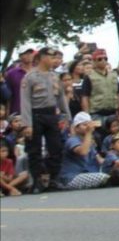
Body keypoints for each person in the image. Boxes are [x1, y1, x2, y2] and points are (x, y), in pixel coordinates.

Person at [20, 46, 70, 193]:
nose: (54, 60)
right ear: (42, 57)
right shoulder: (30, 77)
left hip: (51, 115)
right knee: (34, 150)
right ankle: (36, 181)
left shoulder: (54, 76)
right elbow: (25, 102)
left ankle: (53, 179)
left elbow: (61, 97)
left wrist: (66, 116)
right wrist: (27, 124)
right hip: (36, 115)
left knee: (55, 148)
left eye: (56, 57)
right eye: (51, 56)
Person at [57, 112, 110, 190]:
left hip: (86, 173)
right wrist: (89, 132)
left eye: (88, 125)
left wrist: (113, 162)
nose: (87, 127)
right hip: (72, 177)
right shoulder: (72, 140)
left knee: (116, 172)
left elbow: (100, 160)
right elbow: (83, 152)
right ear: (76, 128)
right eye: (84, 125)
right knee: (103, 177)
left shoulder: (88, 142)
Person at [81, 49, 119, 137]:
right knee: (99, 137)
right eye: (100, 59)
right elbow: (85, 97)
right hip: (96, 114)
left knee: (113, 139)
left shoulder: (113, 75)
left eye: (105, 58)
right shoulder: (89, 77)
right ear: (94, 61)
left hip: (112, 112)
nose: (103, 61)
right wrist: (87, 117)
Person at [5, 48, 35, 117]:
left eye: (30, 53)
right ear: (20, 56)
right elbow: (8, 96)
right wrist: (7, 114)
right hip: (17, 112)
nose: (28, 55)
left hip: (36, 112)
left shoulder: (39, 72)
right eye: (25, 53)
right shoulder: (11, 73)